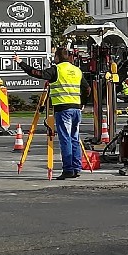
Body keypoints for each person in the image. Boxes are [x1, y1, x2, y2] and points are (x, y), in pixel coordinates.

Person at [14, 48, 90, 180]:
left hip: (63, 109)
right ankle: (76, 168)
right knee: (74, 139)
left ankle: (68, 170)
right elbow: (87, 89)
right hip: (76, 109)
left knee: (65, 139)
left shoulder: (56, 69)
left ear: (58, 57)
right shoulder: (77, 70)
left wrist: (21, 62)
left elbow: (36, 73)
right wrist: (82, 103)